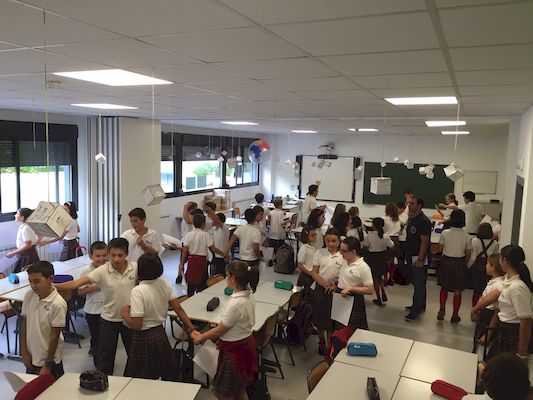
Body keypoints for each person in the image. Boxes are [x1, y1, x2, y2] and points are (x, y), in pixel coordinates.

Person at [54, 238, 136, 375]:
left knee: (133, 354)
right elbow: (76, 284)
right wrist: (52, 286)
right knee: (106, 357)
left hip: (128, 318)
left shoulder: (135, 267)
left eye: (120, 255)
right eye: (113, 255)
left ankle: (131, 380)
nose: (116, 259)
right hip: (109, 319)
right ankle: (104, 381)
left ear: (126, 254)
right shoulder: (103, 270)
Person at [121, 253, 197, 380]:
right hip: (160, 333)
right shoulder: (165, 283)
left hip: (143, 337)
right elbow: (178, 309)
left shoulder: (138, 291)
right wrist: (191, 328)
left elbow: (137, 325)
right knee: (163, 371)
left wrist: (124, 314)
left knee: (141, 376)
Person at [191, 261, 259, 400]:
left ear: (233, 278)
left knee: (222, 392)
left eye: (228, 275)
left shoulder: (235, 304)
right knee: (240, 388)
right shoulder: (249, 296)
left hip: (235, 351)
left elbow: (219, 330)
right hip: (246, 345)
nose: (226, 278)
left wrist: (201, 337)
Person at [475, 245, 532, 360]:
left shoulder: (517, 287)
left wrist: (521, 352)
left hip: (512, 333)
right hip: (503, 330)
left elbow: (525, 321)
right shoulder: (507, 281)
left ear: (504, 260)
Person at [21, 261, 67, 379]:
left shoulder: (58, 303)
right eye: (30, 282)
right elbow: (24, 323)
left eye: (37, 281)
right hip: (32, 356)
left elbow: (54, 336)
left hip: (50, 361)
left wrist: (47, 364)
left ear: (50, 279)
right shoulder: (29, 295)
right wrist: (24, 352)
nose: (33, 285)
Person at [310, 228, 343, 355]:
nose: (331, 244)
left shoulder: (342, 256)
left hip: (335, 290)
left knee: (331, 321)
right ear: (324, 240)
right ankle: (321, 340)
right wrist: (323, 283)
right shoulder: (319, 252)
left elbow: (344, 275)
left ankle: (329, 346)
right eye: (328, 241)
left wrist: (335, 284)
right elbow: (314, 272)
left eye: (334, 241)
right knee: (319, 318)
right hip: (321, 288)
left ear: (339, 241)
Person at [437, 209, 472, 323]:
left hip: (446, 261)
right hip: (459, 262)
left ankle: (442, 309)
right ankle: (455, 315)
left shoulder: (445, 233)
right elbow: (468, 254)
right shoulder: (467, 236)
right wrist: (464, 264)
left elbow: (440, 248)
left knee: (444, 287)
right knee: (458, 290)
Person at [180, 213, 226, 297]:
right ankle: (201, 297)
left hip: (191, 260)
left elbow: (185, 250)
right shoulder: (205, 234)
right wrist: (224, 254)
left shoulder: (189, 235)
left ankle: (190, 298)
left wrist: (182, 264)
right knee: (202, 282)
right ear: (204, 224)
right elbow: (213, 249)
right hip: (202, 261)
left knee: (191, 283)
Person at [78, 241, 107, 360]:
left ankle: (104, 359)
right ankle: (97, 360)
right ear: (91, 256)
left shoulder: (110, 268)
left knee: (105, 339)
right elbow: (80, 292)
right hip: (92, 310)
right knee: (96, 336)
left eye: (104, 255)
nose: (101, 259)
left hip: (107, 309)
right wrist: (97, 286)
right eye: (98, 256)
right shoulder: (86, 271)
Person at [337, 237, 374, 329]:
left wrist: (351, 288)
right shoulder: (344, 261)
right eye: (340, 250)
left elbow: (370, 290)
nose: (340, 253)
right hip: (340, 296)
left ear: (353, 251)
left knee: (352, 328)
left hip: (353, 299)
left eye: (344, 251)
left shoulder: (363, 267)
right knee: (339, 327)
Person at [405, 196, 432, 322]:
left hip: (418, 256)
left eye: (412, 203)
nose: (409, 205)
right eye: (409, 203)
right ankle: (420, 305)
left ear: (419, 206)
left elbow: (424, 241)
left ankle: (415, 311)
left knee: (419, 284)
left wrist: (421, 259)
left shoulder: (423, 221)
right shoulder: (412, 218)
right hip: (411, 254)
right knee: (417, 283)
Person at [471, 254, 504, 353]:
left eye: (487, 264)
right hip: (484, 315)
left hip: (488, 317)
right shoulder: (493, 282)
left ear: (493, 267)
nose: (486, 266)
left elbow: (496, 310)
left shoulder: (498, 285)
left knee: (482, 348)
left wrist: (488, 334)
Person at [362, 218, 394, 306]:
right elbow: (391, 245)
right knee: (380, 277)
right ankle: (383, 290)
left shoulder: (369, 236)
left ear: (373, 225)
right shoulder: (385, 236)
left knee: (375, 278)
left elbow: (365, 245)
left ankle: (378, 298)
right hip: (382, 257)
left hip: (373, 258)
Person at [468, 223, 499, 307]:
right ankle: (483, 307)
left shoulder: (475, 241)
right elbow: (495, 258)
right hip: (489, 266)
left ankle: (475, 307)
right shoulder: (495, 243)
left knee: (476, 290)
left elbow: (473, 257)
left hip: (477, 267)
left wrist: (468, 267)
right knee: (486, 289)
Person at [6, 208, 39, 273]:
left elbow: (28, 245)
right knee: (28, 272)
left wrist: (13, 253)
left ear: (22, 217)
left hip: (27, 254)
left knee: (25, 273)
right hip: (27, 253)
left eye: (17, 214)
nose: (15, 215)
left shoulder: (25, 228)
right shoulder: (25, 226)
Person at [296, 225, 317, 300]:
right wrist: (310, 273)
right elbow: (300, 265)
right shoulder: (304, 248)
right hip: (305, 276)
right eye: (312, 235)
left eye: (315, 235)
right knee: (303, 296)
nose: (315, 237)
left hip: (311, 275)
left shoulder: (312, 247)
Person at [384, 202, 401, 286]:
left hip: (387, 239)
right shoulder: (398, 220)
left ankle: (385, 278)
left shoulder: (384, 219)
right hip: (396, 239)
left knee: (385, 260)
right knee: (392, 260)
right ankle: (391, 277)